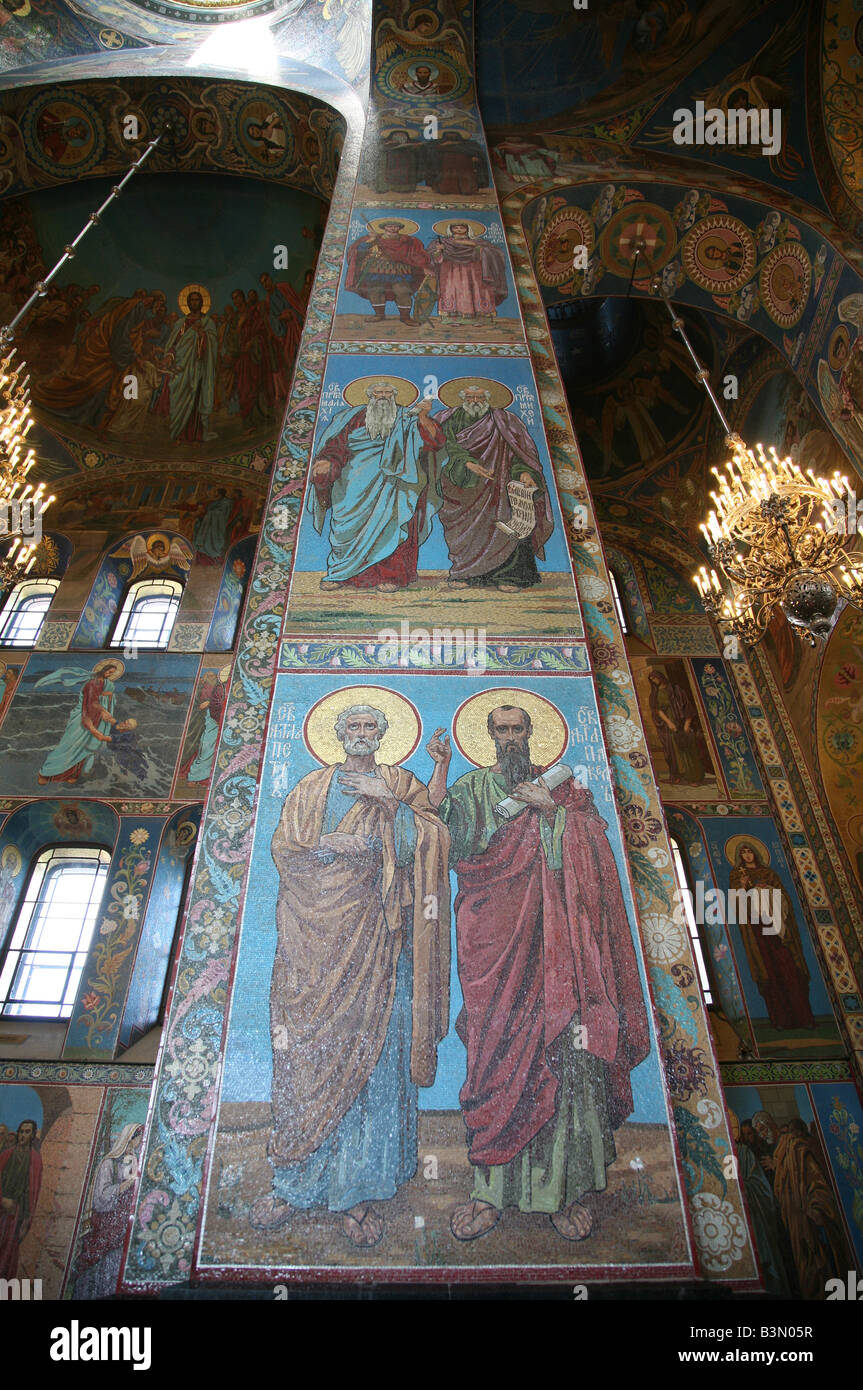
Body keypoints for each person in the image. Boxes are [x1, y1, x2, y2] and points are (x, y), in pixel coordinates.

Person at [427, 705, 650, 1242]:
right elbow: (443, 836)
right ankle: (489, 1195)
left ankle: (562, 1192)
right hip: (493, 946)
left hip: (559, 952)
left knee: (565, 1060)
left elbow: (596, 853)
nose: (510, 738)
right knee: (494, 1056)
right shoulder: (473, 789)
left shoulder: (565, 791)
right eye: (500, 730)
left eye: (517, 729)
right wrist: (438, 766)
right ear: (489, 736)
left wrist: (552, 811)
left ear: (532, 733)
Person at [249, 703, 450, 1247]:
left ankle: (360, 1189)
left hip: (379, 944)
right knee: (309, 1053)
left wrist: (391, 815)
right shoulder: (311, 789)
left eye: (371, 726)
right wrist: (325, 848)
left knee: (375, 1053)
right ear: (338, 735)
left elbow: (431, 835)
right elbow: (284, 848)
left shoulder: (397, 781)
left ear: (383, 735)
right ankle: (296, 1182)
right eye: (354, 727)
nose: (362, 734)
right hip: (314, 943)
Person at [308, 380, 445, 591]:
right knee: (347, 527)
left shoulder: (406, 417)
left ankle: (390, 575)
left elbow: (432, 441)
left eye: (387, 393)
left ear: (395, 396)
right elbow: (336, 446)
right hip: (354, 483)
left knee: (393, 522)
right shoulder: (351, 418)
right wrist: (327, 461)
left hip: (395, 484)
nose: (383, 396)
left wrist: (423, 417)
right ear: (370, 396)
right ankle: (341, 574)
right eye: (378, 392)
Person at [436, 384, 553, 589]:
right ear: (463, 397)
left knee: (508, 522)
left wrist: (524, 472)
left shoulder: (506, 421)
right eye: (470, 397)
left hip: (500, 483)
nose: (475, 401)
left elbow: (519, 451)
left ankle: (511, 576)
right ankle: (466, 574)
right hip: (464, 485)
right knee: (466, 530)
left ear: (488, 399)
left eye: (480, 397)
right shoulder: (449, 419)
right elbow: (444, 446)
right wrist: (466, 462)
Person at [730, 842, 815, 1030]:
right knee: (769, 970)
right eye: (743, 852)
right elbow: (736, 903)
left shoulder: (769, 873)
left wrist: (767, 889)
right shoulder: (738, 875)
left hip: (777, 926)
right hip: (758, 928)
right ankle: (780, 1020)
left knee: (789, 967)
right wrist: (743, 888)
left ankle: (804, 1017)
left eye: (749, 851)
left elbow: (783, 895)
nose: (747, 855)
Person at [773, 1117, 850, 1300]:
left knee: (821, 1260)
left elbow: (817, 1184)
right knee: (812, 1261)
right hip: (800, 1220)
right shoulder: (792, 1152)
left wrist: (816, 1207)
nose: (787, 1140)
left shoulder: (799, 1150)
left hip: (809, 1218)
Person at [72, 1123, 143, 1298]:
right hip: (107, 1223)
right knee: (101, 1267)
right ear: (129, 1140)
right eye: (138, 1141)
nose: (139, 1145)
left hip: (124, 1222)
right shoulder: (108, 1163)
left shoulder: (134, 1162)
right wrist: (128, 1183)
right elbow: (101, 1197)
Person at [35, 658, 132, 785]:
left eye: (112, 673)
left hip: (96, 718)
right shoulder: (92, 683)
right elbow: (91, 702)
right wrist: (104, 709)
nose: (110, 674)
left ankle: (72, 774)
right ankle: (46, 773)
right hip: (83, 717)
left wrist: (108, 698)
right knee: (69, 745)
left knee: (84, 748)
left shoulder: (105, 683)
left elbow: (103, 699)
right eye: (109, 671)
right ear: (103, 670)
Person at [156, 290, 218, 442]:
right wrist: (169, 356)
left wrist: (202, 334)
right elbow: (173, 344)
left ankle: (195, 436)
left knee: (196, 400)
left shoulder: (207, 322)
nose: (194, 303)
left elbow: (213, 345)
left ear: (202, 303)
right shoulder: (180, 323)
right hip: (181, 369)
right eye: (192, 300)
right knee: (179, 400)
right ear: (188, 303)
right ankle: (179, 434)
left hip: (198, 368)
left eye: (197, 300)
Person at [344, 220, 431, 324]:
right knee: (375, 290)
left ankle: (405, 317)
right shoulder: (375, 238)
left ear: (400, 228)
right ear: (384, 227)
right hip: (376, 267)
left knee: (403, 291)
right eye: (390, 226)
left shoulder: (408, 240)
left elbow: (416, 254)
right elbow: (359, 250)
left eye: (396, 226)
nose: (393, 228)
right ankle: (379, 315)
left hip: (400, 268)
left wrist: (422, 266)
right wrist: (371, 240)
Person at [427, 223, 507, 323]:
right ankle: (452, 319)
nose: (459, 229)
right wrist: (439, 250)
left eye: (462, 227)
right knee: (452, 291)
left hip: (473, 271)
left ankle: (479, 319)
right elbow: (433, 257)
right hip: (451, 271)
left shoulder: (477, 242)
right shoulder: (443, 242)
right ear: (451, 229)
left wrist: (477, 248)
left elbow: (493, 252)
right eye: (456, 227)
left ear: (467, 228)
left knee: (476, 291)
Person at [647, 668, 712, 785]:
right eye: (651, 679)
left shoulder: (676, 690)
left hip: (681, 722)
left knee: (688, 750)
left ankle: (694, 778)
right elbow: (657, 711)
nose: (654, 681)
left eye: (654, 678)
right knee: (671, 751)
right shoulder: (654, 694)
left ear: (660, 676)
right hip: (667, 726)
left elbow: (687, 706)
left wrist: (687, 723)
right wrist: (669, 722)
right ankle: (676, 776)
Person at [0, 1119, 42, 1277]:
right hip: (2, 1208)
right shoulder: (6, 1155)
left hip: (16, 1215)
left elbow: (33, 1191)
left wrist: (26, 1221)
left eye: (27, 1132)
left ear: (32, 1135)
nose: (23, 1135)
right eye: (21, 1131)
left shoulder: (35, 1160)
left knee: (7, 1255)